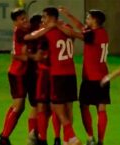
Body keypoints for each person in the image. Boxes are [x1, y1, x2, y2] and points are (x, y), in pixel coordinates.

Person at [26, 7, 82, 145]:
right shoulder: (67, 27)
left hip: (57, 74)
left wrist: (48, 28)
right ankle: (66, 140)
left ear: (51, 18)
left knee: (56, 107)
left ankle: (72, 137)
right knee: (68, 107)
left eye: (44, 17)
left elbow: (29, 37)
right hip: (71, 73)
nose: (43, 20)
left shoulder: (47, 32)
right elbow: (78, 35)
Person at [58, 7, 110, 145]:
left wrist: (57, 25)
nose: (86, 20)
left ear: (95, 20)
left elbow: (75, 34)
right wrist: (68, 14)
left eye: (88, 18)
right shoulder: (102, 32)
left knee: (84, 106)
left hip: (91, 78)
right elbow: (81, 27)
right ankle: (101, 141)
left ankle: (91, 137)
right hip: (104, 76)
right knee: (101, 108)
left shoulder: (92, 35)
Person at [0, 8, 35, 145]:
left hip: (20, 72)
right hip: (17, 73)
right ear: (15, 23)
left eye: (25, 18)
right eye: (21, 19)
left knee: (17, 106)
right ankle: (4, 138)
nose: (25, 21)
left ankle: (4, 134)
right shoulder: (20, 32)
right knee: (19, 107)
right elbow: (20, 56)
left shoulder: (22, 30)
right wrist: (33, 57)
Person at [25, 14, 62, 145]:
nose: (44, 23)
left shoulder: (34, 38)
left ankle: (36, 136)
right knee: (44, 107)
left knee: (39, 107)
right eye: (42, 21)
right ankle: (38, 136)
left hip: (36, 76)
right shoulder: (43, 38)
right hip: (40, 77)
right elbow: (39, 57)